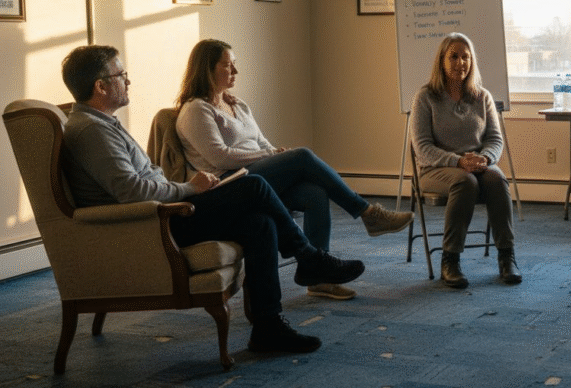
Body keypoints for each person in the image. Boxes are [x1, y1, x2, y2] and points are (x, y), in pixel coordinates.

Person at [60, 45, 366, 354]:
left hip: (163, 212)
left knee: (260, 223)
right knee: (254, 186)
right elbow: (132, 192)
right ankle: (308, 257)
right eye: (121, 75)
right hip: (154, 224)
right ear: (101, 86)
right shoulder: (91, 131)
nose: (128, 81)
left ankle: (267, 326)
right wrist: (189, 188)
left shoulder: (101, 123)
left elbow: (139, 183)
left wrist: (186, 188)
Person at [175, 39, 412, 301]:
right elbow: (219, 157)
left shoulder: (237, 104)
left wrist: (273, 152)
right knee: (302, 156)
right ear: (207, 69)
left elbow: (260, 142)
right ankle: (367, 212)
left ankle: (318, 277)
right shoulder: (196, 110)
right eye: (227, 65)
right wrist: (270, 155)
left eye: (235, 64)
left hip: (256, 173)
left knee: (314, 193)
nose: (235, 71)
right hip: (229, 185)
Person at [410, 33, 520, 289]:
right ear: (441, 60)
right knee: (465, 182)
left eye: (466, 57)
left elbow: (495, 139)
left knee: (497, 179)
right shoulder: (425, 97)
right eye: (454, 56)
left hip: (477, 165)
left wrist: (485, 158)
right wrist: (458, 161)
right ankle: (450, 260)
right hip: (436, 169)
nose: (460, 62)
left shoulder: (482, 96)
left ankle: (507, 257)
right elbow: (422, 147)